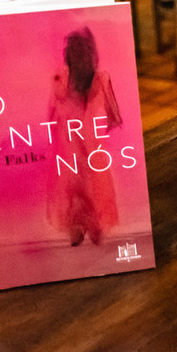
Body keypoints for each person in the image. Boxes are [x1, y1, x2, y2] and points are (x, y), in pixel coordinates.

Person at [46, 27, 121, 246]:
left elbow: (52, 114)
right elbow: (114, 115)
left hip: (70, 142)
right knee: (93, 183)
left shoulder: (61, 80)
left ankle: (78, 227)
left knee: (72, 185)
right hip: (89, 142)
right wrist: (100, 130)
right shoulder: (100, 79)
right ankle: (93, 226)